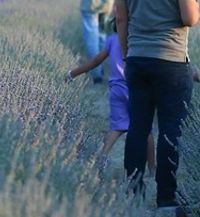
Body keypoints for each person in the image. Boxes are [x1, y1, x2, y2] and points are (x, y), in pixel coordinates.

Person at [115, 0, 199, 217]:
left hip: (137, 59)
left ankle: (133, 196)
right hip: (172, 61)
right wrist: (197, 7)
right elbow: (189, 18)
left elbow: (120, 19)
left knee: (138, 128)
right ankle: (166, 199)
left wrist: (127, 54)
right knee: (170, 130)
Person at [65, 16, 157, 171]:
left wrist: (72, 73)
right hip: (135, 89)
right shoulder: (139, 42)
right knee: (145, 129)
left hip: (116, 90)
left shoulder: (112, 40)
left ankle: (100, 159)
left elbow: (95, 61)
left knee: (116, 127)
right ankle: (152, 168)